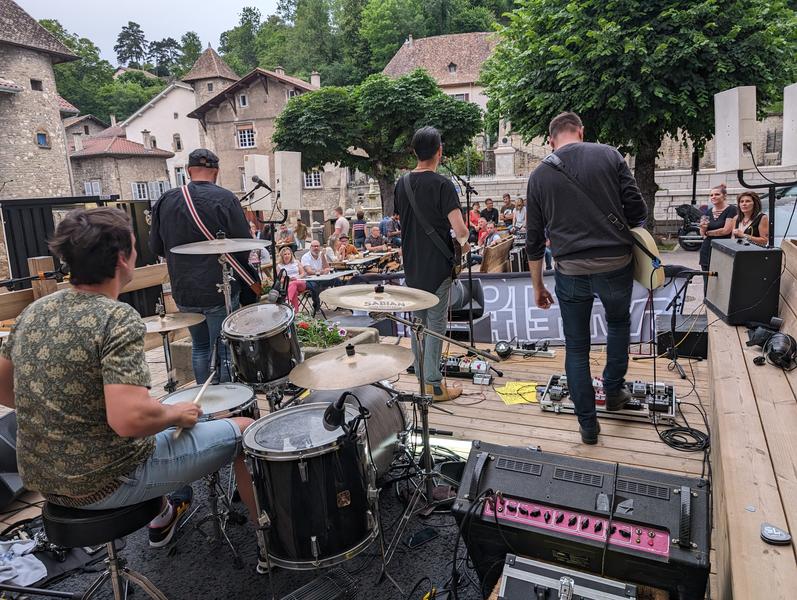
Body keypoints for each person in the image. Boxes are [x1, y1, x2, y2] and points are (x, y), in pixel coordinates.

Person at [0, 207, 258, 553]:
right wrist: (176, 414)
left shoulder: (35, 310)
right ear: (123, 258)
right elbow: (130, 420)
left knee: (164, 414)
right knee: (244, 429)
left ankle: (163, 515)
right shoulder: (116, 318)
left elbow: (3, 386)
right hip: (105, 482)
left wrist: (67, 411)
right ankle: (271, 543)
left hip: (45, 480)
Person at [526, 112, 647, 445]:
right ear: (580, 131)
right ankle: (614, 391)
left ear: (551, 140)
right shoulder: (609, 155)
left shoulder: (539, 175)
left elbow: (533, 241)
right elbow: (638, 211)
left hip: (570, 271)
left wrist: (538, 286)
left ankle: (588, 427)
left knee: (576, 347)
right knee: (618, 324)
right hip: (616, 264)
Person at [150, 148, 252, 385]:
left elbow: (156, 246)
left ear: (188, 171)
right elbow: (244, 244)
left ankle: (203, 399)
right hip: (219, 288)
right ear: (216, 171)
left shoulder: (165, 200)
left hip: (184, 288)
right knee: (223, 348)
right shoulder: (226, 198)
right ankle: (226, 400)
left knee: (200, 346)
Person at [395, 126, 469, 402]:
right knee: (436, 326)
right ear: (440, 151)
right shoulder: (442, 185)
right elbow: (460, 231)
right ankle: (434, 386)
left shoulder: (401, 184)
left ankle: (421, 381)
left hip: (412, 267)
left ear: (414, 152)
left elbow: (405, 224)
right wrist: (466, 243)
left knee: (418, 325)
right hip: (437, 267)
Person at [699, 183, 737, 291]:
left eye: (717, 194)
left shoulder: (731, 209)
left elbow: (726, 230)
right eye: (711, 195)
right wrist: (703, 228)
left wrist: (708, 233)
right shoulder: (707, 211)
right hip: (707, 250)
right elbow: (702, 233)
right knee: (707, 282)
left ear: (724, 196)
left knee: (722, 281)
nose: (713, 197)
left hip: (723, 249)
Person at [277, 246, 308, 311]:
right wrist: (289, 279)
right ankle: (295, 312)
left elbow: (303, 273)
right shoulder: (279, 266)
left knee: (293, 284)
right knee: (294, 291)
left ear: (291, 254)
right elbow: (280, 280)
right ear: (282, 256)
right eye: (285, 254)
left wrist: (297, 277)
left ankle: (287, 301)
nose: (287, 256)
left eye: (289, 254)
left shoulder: (296, 262)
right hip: (289, 286)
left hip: (300, 283)